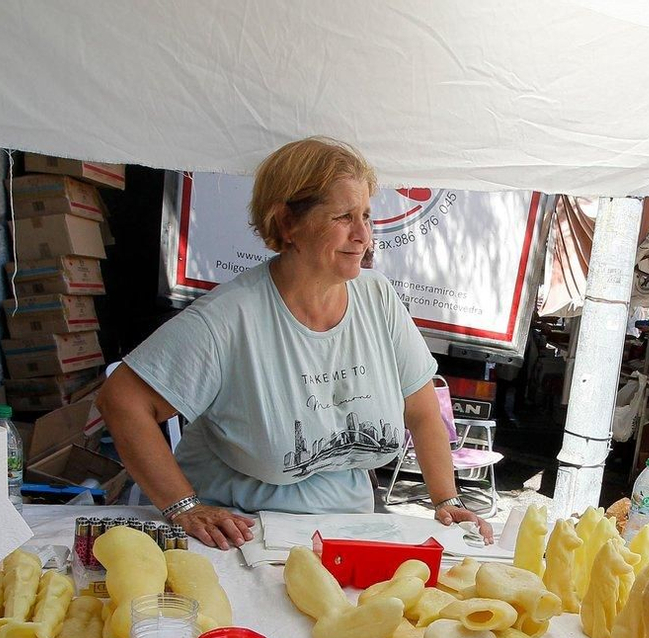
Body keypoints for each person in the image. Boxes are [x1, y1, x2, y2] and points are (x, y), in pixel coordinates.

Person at [98, 137, 493, 550]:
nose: (363, 235)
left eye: (365, 216)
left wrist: (447, 500)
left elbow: (422, 411)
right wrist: (184, 506)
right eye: (343, 217)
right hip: (244, 537)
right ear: (288, 223)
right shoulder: (231, 316)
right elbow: (122, 401)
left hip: (351, 531)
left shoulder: (378, 298)